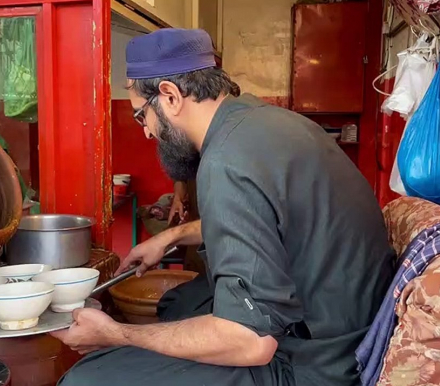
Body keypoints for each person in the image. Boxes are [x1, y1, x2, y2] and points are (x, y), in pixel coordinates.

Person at [51, 28, 395, 386]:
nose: (147, 133)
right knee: (179, 303)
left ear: (169, 96)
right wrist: (170, 237)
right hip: (349, 330)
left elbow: (250, 341)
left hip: (319, 363)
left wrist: (115, 334)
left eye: (142, 116)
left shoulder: (225, 161)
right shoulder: (266, 121)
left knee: (88, 378)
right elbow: (269, 217)